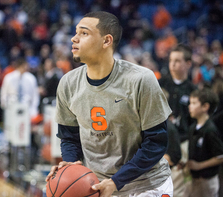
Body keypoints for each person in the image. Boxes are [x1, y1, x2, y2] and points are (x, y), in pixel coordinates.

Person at [45, 11, 173, 197]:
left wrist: (116, 182)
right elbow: (69, 137)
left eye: (84, 33)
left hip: (146, 186)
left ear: (106, 41)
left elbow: (155, 143)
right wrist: (69, 168)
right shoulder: (67, 83)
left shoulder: (141, 79)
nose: (74, 38)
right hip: (98, 186)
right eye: (75, 32)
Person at [158, 44, 196, 197]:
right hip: (159, 140)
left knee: (179, 184)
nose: (172, 64)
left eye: (177, 61)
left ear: (188, 64)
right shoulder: (160, 84)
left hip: (183, 141)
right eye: (171, 60)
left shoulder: (193, 90)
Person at [186, 88, 223, 197]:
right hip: (195, 180)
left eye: (193, 103)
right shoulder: (193, 128)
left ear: (205, 107)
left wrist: (199, 165)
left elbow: (220, 156)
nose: (190, 106)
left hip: (207, 181)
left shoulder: (210, 130)